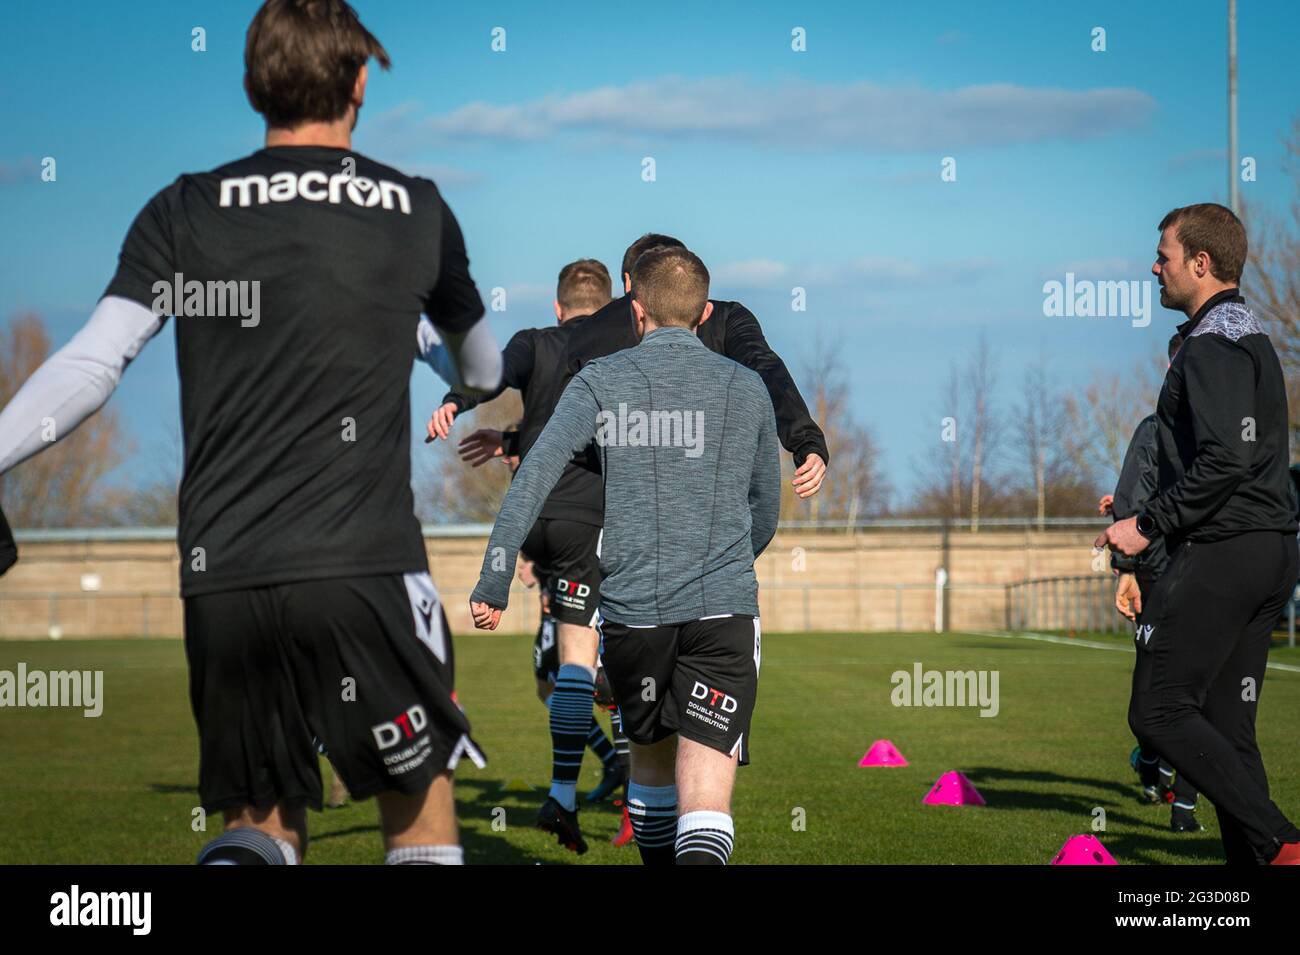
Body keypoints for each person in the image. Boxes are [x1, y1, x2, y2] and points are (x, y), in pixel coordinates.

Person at [0, 0, 501, 865]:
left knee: (256, 830)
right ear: (358, 83)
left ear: (250, 86)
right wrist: (421, 340)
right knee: (418, 816)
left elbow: (91, 365)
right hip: (365, 567)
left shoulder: (186, 207)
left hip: (222, 574)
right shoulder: (414, 207)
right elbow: (484, 372)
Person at [470, 247, 781, 865]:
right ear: (706, 311)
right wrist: (726, 563)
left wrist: (495, 577)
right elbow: (764, 505)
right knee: (707, 804)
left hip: (634, 617)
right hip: (721, 613)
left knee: (652, 781)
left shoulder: (600, 379)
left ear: (636, 311)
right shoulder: (747, 387)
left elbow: (532, 477)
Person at [1096, 203, 1300, 865]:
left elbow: (1226, 459)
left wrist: (1145, 524)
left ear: (1201, 262)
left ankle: (1283, 840)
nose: (1155, 267)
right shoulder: (1251, 335)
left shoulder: (1210, 343)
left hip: (1227, 551)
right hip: (1270, 548)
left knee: (1156, 710)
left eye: (1164, 255)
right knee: (1227, 728)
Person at [424, 260, 627, 851]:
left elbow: (494, 377)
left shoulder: (536, 343)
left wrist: (458, 403)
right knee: (612, 665)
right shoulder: (621, 347)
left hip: (532, 519)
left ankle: (565, 791)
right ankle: (632, 795)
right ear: (614, 305)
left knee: (569, 665)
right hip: (590, 521)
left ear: (558, 306)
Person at [1102, 333, 1202, 831]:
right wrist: (1128, 569)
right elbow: (1134, 495)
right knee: (1158, 700)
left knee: (1189, 697)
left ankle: (1182, 807)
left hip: (1201, 576)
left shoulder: (1219, 431)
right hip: (1162, 574)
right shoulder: (1155, 430)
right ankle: (1154, 762)